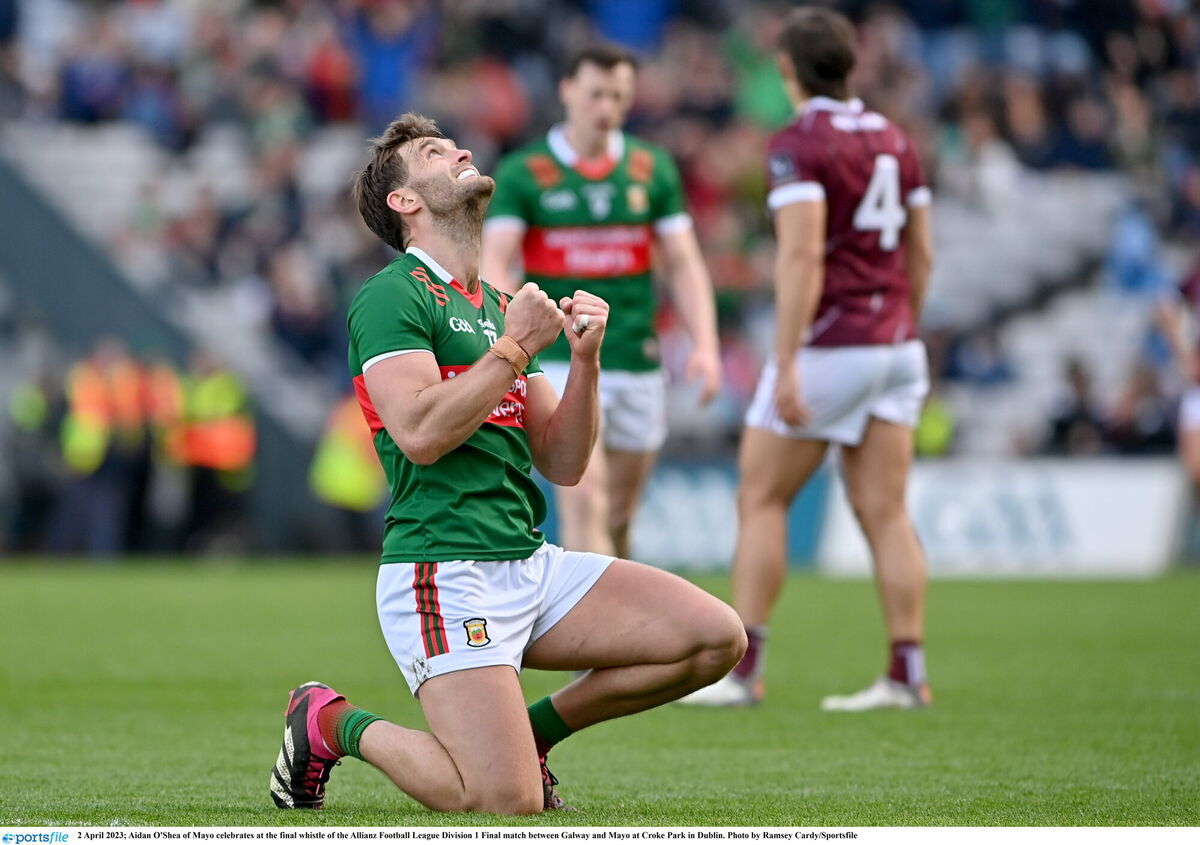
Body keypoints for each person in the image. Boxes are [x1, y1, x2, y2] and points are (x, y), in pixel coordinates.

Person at [269, 113, 745, 815]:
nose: (462, 148)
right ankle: (329, 721)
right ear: (405, 202)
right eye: (434, 152)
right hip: (445, 570)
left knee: (715, 640)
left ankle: (530, 733)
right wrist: (517, 349)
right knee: (502, 801)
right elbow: (421, 433)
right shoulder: (391, 294)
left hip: (528, 563)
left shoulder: (496, 304)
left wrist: (585, 362)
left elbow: (564, 459)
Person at [679, 7, 935, 711]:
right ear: (851, 66)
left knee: (762, 497)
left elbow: (800, 254)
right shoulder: (895, 137)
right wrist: (905, 326)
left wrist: (787, 360)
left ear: (786, 68)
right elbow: (923, 251)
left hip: (833, 345)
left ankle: (742, 671)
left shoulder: (799, 141)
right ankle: (907, 672)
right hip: (896, 343)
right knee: (886, 510)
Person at [481, 43, 721, 559]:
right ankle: (595, 632)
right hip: (561, 359)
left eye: (617, 96)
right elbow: (494, 262)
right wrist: (508, 332)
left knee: (619, 513)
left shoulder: (651, 168)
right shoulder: (525, 172)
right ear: (567, 91)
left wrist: (706, 344)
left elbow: (682, 262)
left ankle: (613, 611)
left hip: (635, 354)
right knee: (584, 497)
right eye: (596, 94)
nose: (606, 108)